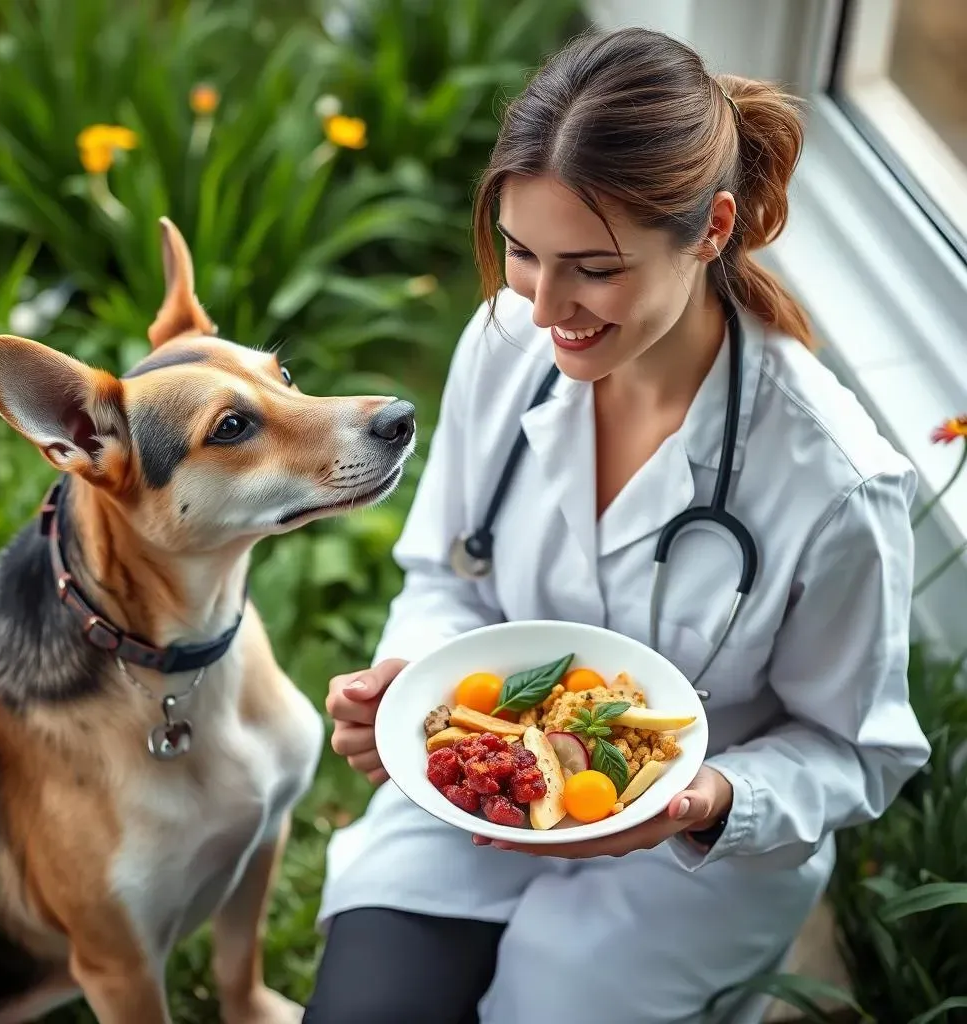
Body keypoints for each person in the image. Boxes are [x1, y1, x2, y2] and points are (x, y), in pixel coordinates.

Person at [303, 25, 931, 1024]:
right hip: (485, 790)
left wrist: (706, 801)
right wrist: (404, 683)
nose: (546, 308)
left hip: (687, 868)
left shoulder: (834, 482)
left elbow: (858, 753)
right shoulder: (506, 341)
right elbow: (446, 574)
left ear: (712, 228)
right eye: (521, 253)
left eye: (592, 268)